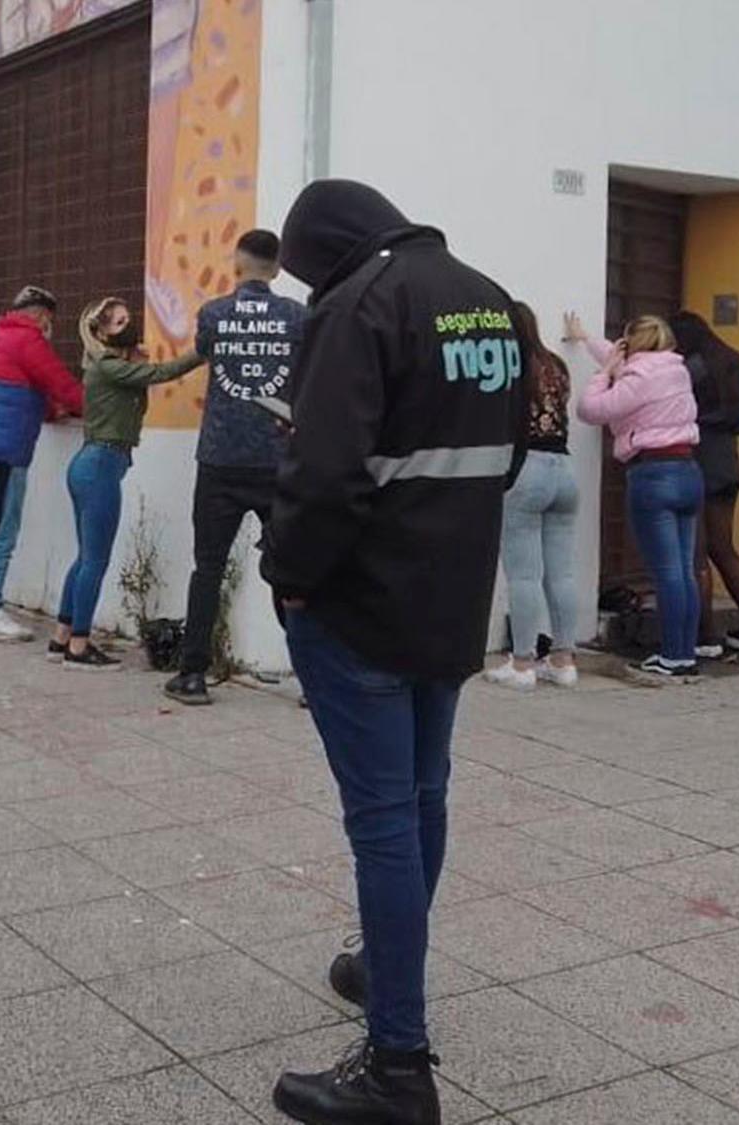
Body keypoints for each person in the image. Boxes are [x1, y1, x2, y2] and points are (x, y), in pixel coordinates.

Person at [264, 179, 527, 1125]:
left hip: (360, 605)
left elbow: (326, 473)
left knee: (381, 819)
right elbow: (506, 451)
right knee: (422, 796)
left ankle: (399, 1067)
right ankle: (387, 963)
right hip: (451, 599)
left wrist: (288, 572)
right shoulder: (487, 295)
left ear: (328, 251)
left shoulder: (356, 306)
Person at [165, 230, 307, 704]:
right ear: (278, 268)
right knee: (292, 570)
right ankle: (314, 678)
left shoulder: (214, 314)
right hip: (277, 460)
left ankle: (192, 675)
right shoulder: (296, 317)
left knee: (208, 567)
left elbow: (207, 352)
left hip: (221, 459)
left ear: (236, 264)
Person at [51, 298, 203, 669]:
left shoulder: (111, 365)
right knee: (96, 560)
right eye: (119, 323)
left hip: (93, 463)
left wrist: (136, 357)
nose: (128, 326)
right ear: (100, 332)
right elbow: (159, 375)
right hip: (100, 464)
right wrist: (202, 352)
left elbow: (138, 395)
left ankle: (63, 635)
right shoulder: (107, 365)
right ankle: (80, 644)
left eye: (127, 319)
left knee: (86, 556)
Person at [0, 286, 84, 642]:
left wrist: (49, 409)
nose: (49, 328)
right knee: (2, 532)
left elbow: (22, 389)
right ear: (40, 315)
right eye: (49, 321)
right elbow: (60, 382)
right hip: (6, 451)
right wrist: (93, 408)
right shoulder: (29, 341)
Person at [571, 312, 704, 678]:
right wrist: (588, 341)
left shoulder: (636, 375)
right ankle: (685, 652)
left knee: (667, 573)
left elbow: (591, 410)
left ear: (632, 344)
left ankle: (673, 656)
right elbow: (621, 365)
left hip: (653, 473)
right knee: (684, 571)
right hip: (689, 471)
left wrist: (602, 374)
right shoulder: (675, 370)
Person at [484, 302, 582, 690]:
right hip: (564, 470)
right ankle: (563, 660)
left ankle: (523, 663)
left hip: (525, 468)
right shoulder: (556, 364)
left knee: (524, 574)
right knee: (562, 572)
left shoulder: (508, 364)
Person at [670, 311, 739, 657]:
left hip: (696, 459)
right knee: (724, 550)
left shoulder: (688, 369)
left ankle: (705, 636)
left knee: (696, 556)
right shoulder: (738, 362)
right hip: (728, 462)